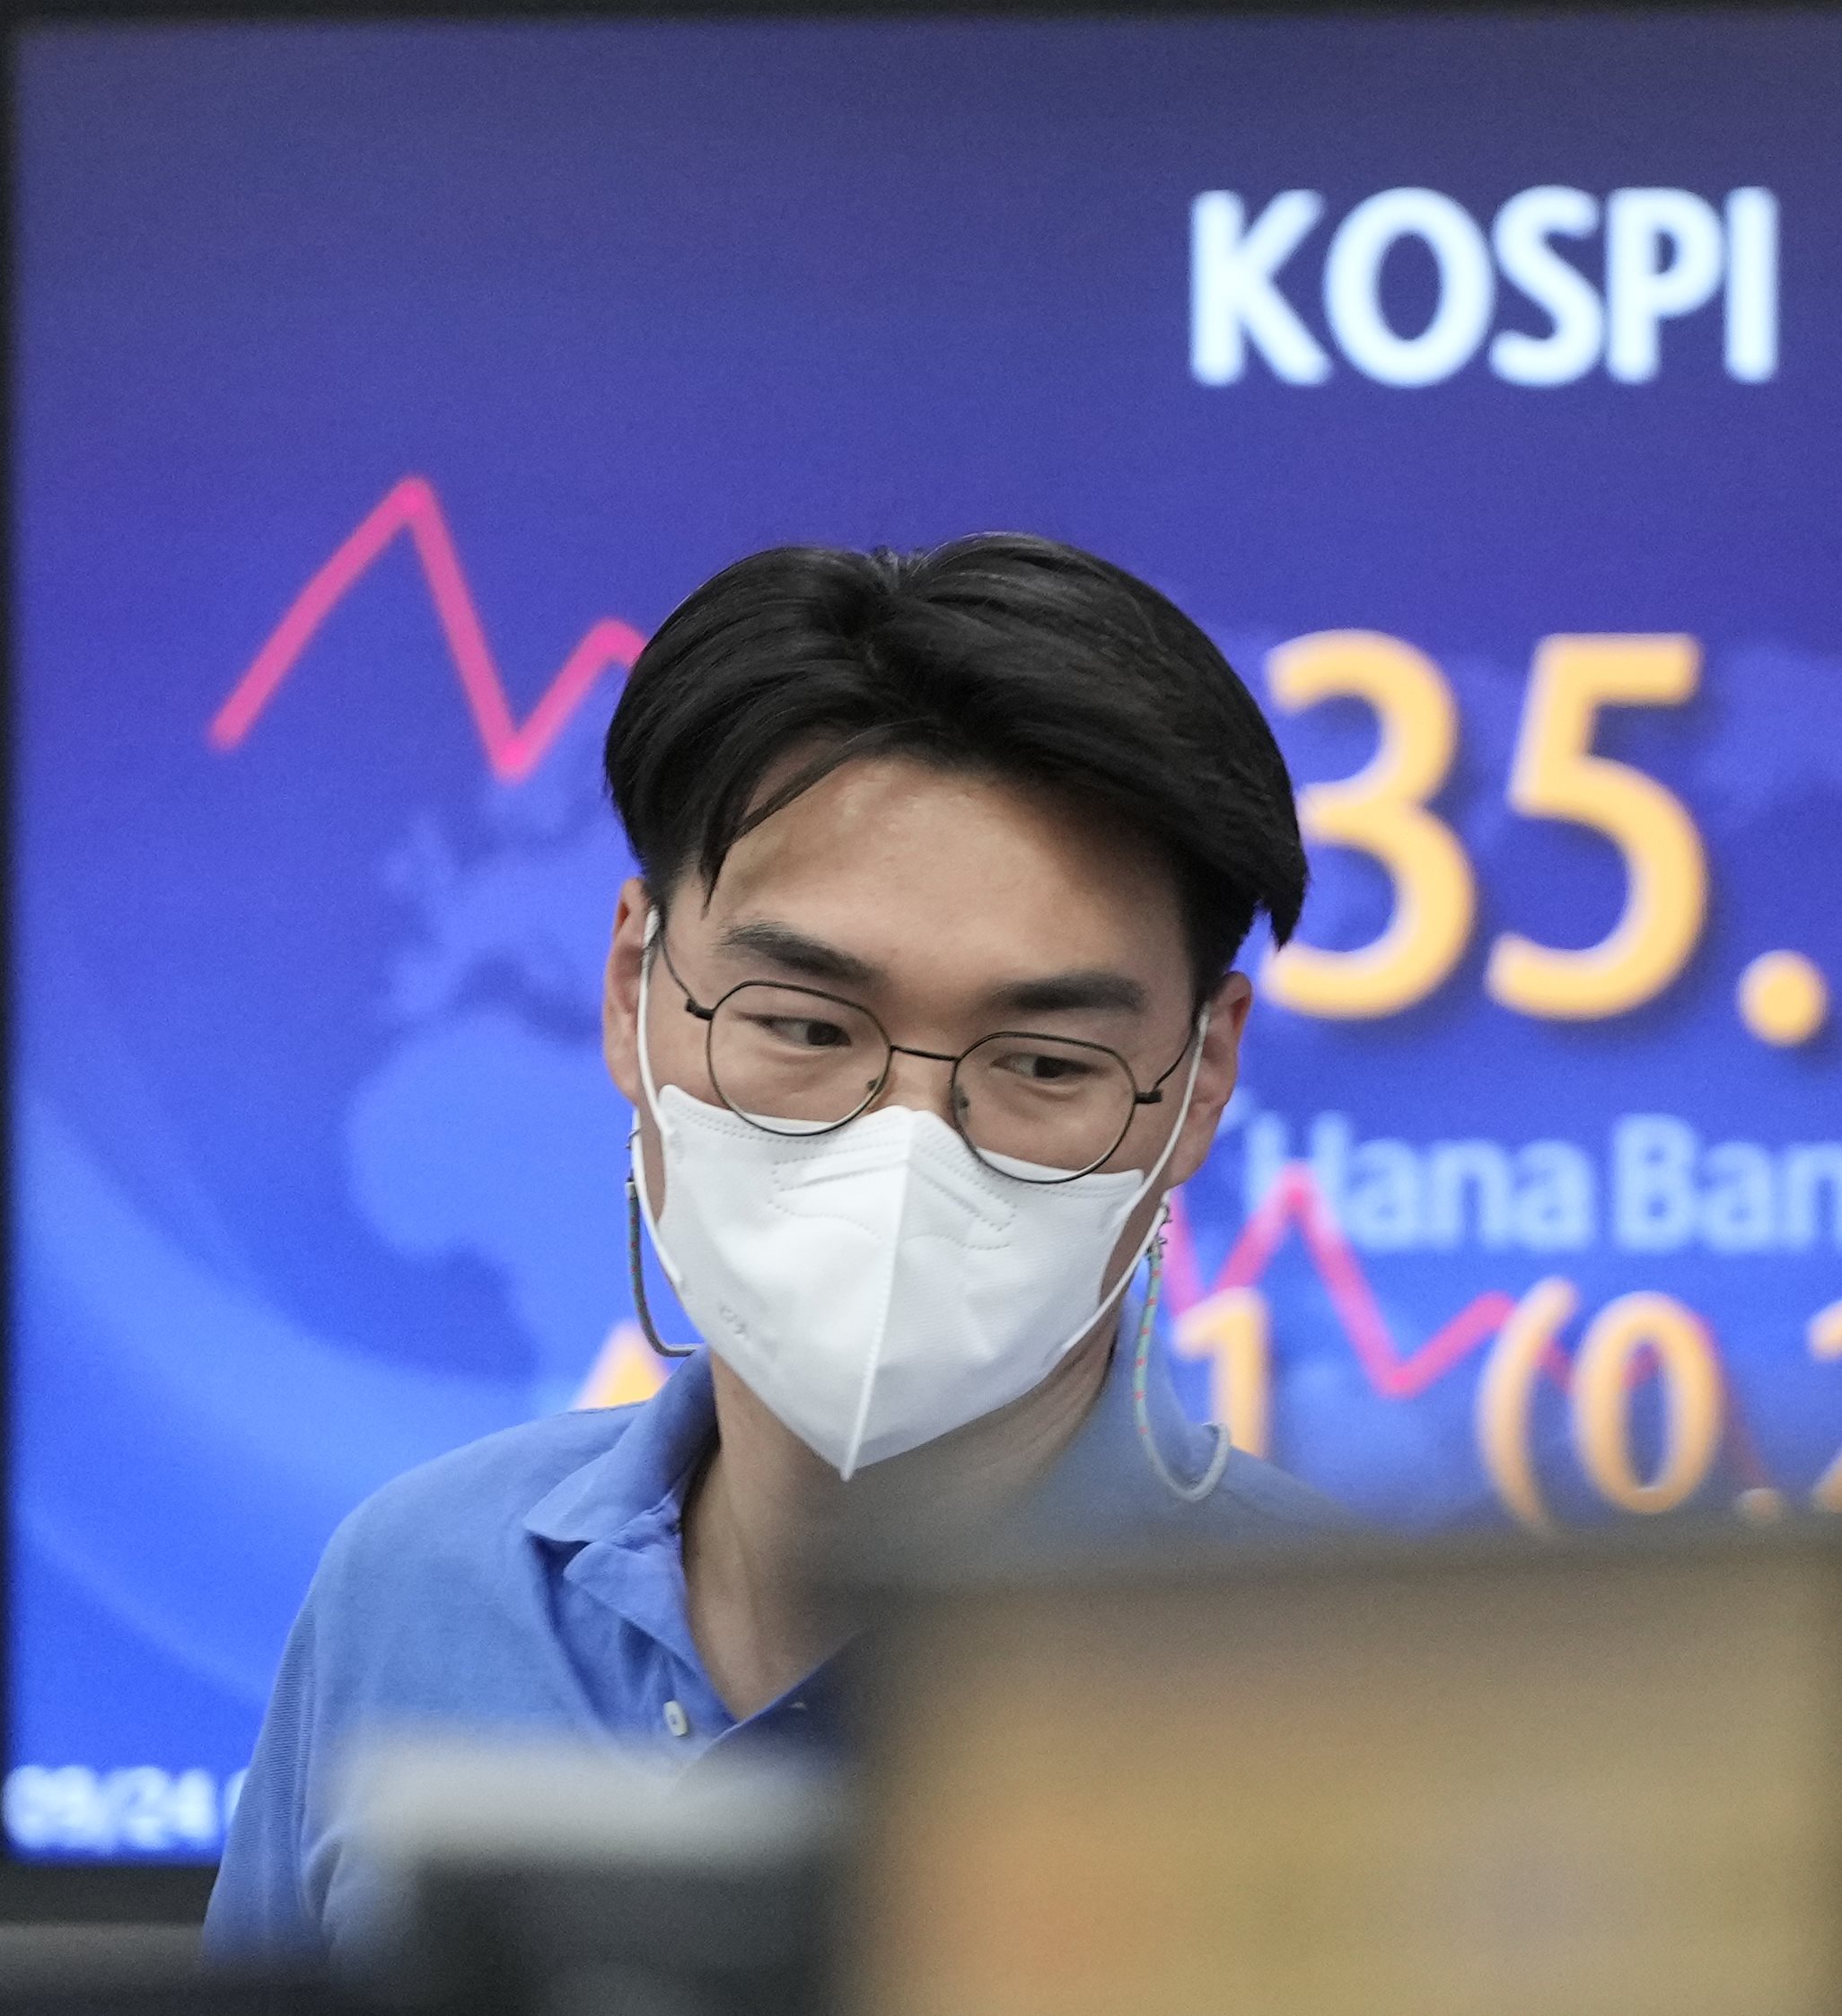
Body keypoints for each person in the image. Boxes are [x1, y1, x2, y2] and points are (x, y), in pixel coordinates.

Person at [204, 534, 1338, 1962]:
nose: (906, 1150)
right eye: (804, 1027)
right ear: (634, 987)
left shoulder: (1371, 1702)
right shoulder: (417, 1587)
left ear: (1200, 1078)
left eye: (1045, 1063)